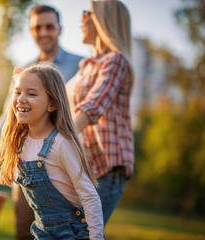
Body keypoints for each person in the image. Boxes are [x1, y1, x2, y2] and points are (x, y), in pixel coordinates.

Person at [0, 5, 83, 240]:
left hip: (64, 170)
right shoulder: (23, 70)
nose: (44, 32)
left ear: (59, 29)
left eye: (49, 26)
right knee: (24, 233)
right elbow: (9, 117)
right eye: (38, 27)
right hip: (27, 169)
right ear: (31, 30)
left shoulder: (80, 65)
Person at [0, 63, 104, 239]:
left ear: (52, 104)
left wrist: (97, 238)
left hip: (72, 233)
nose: (20, 99)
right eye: (18, 92)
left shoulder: (61, 144)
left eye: (32, 94)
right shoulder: (20, 142)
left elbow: (90, 196)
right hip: (42, 232)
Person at [66, 0, 134, 226]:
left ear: (104, 21)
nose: (82, 18)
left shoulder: (115, 61)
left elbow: (93, 105)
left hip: (105, 169)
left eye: (89, 13)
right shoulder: (86, 66)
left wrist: (59, 140)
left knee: (81, 233)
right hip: (84, 167)